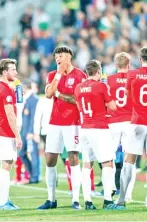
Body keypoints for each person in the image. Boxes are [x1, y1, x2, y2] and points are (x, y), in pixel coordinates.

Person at [114, 46, 147, 209]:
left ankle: (122, 198)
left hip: (137, 121)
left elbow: (128, 96)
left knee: (129, 160)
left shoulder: (132, 75)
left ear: (140, 60)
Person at [37, 46, 86, 210]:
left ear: (70, 57)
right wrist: (58, 75)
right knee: (50, 159)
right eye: (57, 56)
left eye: (62, 55)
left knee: (73, 158)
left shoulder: (80, 75)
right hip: (55, 123)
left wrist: (59, 94)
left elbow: (77, 100)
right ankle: (51, 199)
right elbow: (49, 93)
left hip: (72, 123)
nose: (59, 58)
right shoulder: (52, 75)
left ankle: (75, 199)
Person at [74, 59, 120, 210]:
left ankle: (87, 201)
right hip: (99, 128)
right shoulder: (101, 86)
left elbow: (80, 107)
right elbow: (113, 107)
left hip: (85, 128)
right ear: (99, 71)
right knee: (107, 163)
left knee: (87, 164)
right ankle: (107, 200)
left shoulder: (78, 87)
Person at [0, 58, 23, 210]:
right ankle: (2, 203)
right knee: (6, 166)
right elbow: (10, 114)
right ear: (5, 72)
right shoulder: (6, 90)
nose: (16, 72)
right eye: (13, 70)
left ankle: (5, 200)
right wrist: (17, 136)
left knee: (6, 166)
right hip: (5, 132)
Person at [107, 52, 134, 200]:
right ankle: (127, 193)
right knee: (129, 158)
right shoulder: (134, 78)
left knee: (109, 156)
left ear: (116, 65)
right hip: (130, 120)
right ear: (129, 65)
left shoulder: (108, 80)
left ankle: (110, 186)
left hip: (113, 121)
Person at [18, 80, 40, 184]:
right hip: (24, 131)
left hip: (30, 132)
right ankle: (32, 174)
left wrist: (31, 131)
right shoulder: (26, 99)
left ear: (25, 88)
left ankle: (35, 177)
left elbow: (34, 117)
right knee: (22, 153)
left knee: (33, 153)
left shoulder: (33, 100)